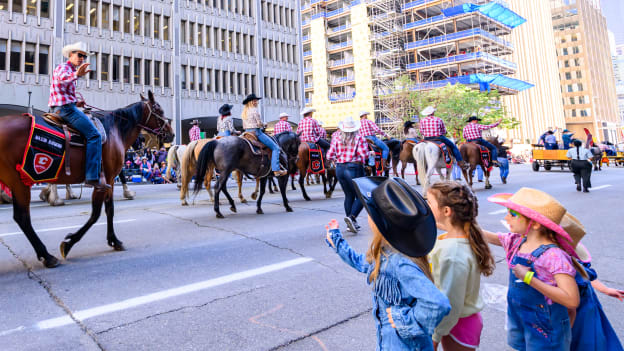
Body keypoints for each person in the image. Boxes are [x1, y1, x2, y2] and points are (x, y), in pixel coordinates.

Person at [325, 177, 451, 350]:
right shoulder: (385, 253)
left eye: (370, 213)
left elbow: (438, 303)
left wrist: (404, 320)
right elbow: (363, 264)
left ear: (380, 223)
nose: (368, 217)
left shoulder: (399, 263)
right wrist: (336, 241)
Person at [481, 188, 587, 351]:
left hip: (546, 327)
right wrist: (462, 224)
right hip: (520, 318)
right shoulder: (517, 242)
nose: (506, 217)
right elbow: (489, 236)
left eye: (513, 214)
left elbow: (572, 300)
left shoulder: (554, 256)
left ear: (535, 223)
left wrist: (530, 278)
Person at [427, 181, 495, 351]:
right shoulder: (459, 235)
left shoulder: (453, 255)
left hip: (457, 323)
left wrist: (435, 337)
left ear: (447, 211)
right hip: (459, 321)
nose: (426, 205)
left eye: (429, 202)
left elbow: (451, 302)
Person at [49, 42, 109, 191]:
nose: (82, 58)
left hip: (64, 107)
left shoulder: (70, 70)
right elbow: (63, 78)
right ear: (70, 55)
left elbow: (62, 90)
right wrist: (76, 75)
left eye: (84, 56)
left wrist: (77, 102)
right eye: (79, 55)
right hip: (66, 110)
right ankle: (92, 177)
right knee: (94, 135)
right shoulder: (64, 68)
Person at [559, 213, 624, 351]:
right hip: (577, 313)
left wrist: (605, 289)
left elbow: (585, 277)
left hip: (582, 315)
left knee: (587, 343)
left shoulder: (567, 263)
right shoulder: (555, 261)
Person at [325, 116, 370, 233]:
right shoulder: (359, 138)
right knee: (362, 196)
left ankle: (351, 223)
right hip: (354, 167)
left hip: (339, 168)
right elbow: (364, 155)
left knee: (349, 195)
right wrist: (369, 155)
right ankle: (352, 218)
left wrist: (336, 159)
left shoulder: (336, 138)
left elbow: (329, 155)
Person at [241, 93, 286, 176]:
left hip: (247, 132)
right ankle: (276, 169)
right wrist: (264, 124)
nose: (257, 102)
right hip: (256, 132)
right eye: (255, 100)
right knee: (275, 148)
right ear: (252, 102)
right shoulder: (254, 110)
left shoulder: (245, 111)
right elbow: (259, 124)